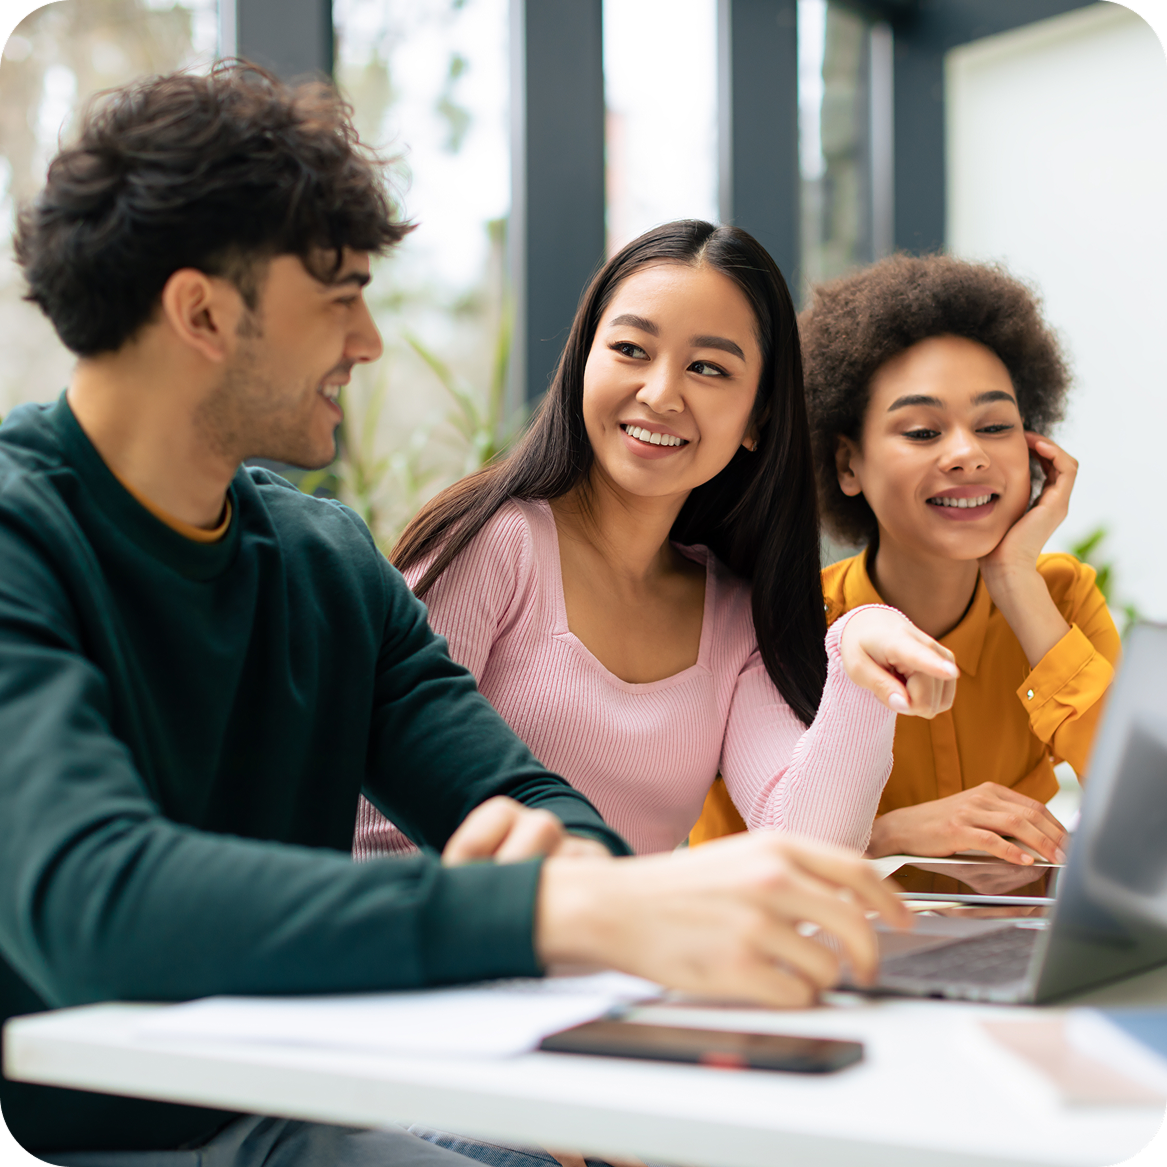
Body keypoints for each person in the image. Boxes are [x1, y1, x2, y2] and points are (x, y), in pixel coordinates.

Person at [0, 63, 912, 1167]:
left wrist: (578, 879)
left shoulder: (322, 561)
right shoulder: (21, 540)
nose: (369, 340)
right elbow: (95, 900)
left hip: (276, 1117)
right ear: (202, 312)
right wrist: (549, 916)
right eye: (339, 294)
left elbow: (521, 797)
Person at [354, 221, 960, 867]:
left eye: (707, 367)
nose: (660, 393)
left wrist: (859, 660)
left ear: (758, 417)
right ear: (584, 361)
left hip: (626, 963)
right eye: (630, 350)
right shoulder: (492, 544)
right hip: (458, 955)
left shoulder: (734, 613)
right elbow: (373, 830)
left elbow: (806, 842)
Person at [689, 254, 1120, 866]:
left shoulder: (1061, 598)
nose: (968, 455)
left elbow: (1149, 809)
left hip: (1023, 950)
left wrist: (1016, 582)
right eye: (922, 432)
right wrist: (883, 838)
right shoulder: (784, 624)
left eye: (995, 425)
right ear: (847, 464)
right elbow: (724, 865)